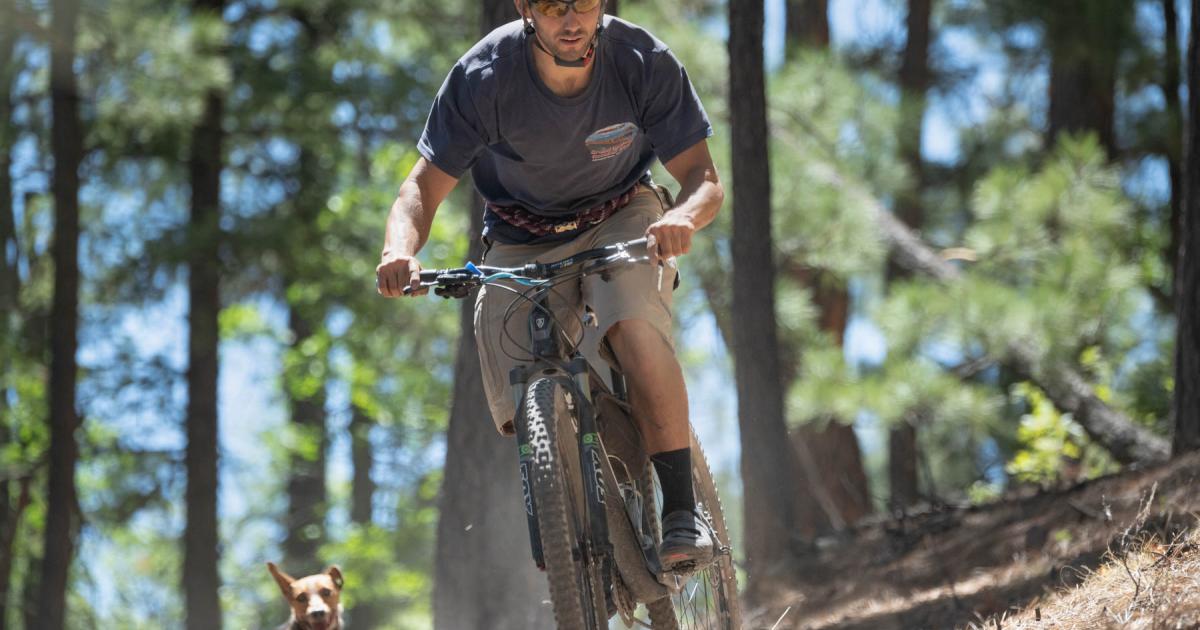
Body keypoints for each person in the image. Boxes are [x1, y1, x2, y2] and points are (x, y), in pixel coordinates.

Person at [375, 0, 724, 571]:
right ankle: (575, 512)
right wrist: (399, 251)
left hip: (622, 213)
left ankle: (683, 510)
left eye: (585, 2)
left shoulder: (640, 60)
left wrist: (682, 217)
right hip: (521, 233)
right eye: (554, 5)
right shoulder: (483, 76)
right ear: (525, 7)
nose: (572, 19)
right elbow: (420, 190)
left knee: (634, 324)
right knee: (513, 364)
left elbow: (702, 177)